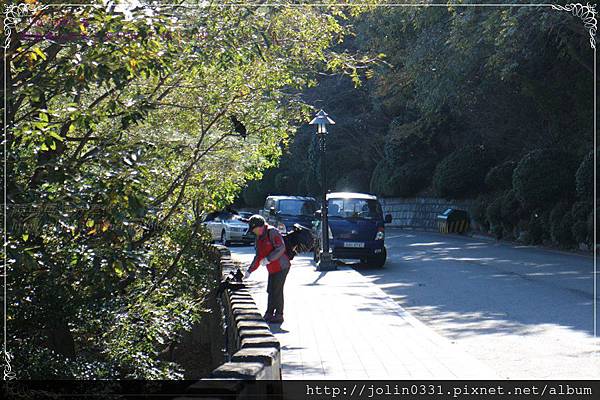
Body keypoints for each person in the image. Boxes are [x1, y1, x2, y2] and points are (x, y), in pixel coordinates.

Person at [244, 214, 290, 323]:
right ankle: (269, 313)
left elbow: (281, 248)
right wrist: (249, 271)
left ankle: (279, 315)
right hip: (272, 268)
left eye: (254, 229)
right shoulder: (259, 237)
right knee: (270, 290)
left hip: (282, 266)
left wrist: (269, 259)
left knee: (277, 290)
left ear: (260, 226)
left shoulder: (272, 232)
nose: (254, 232)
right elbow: (258, 255)